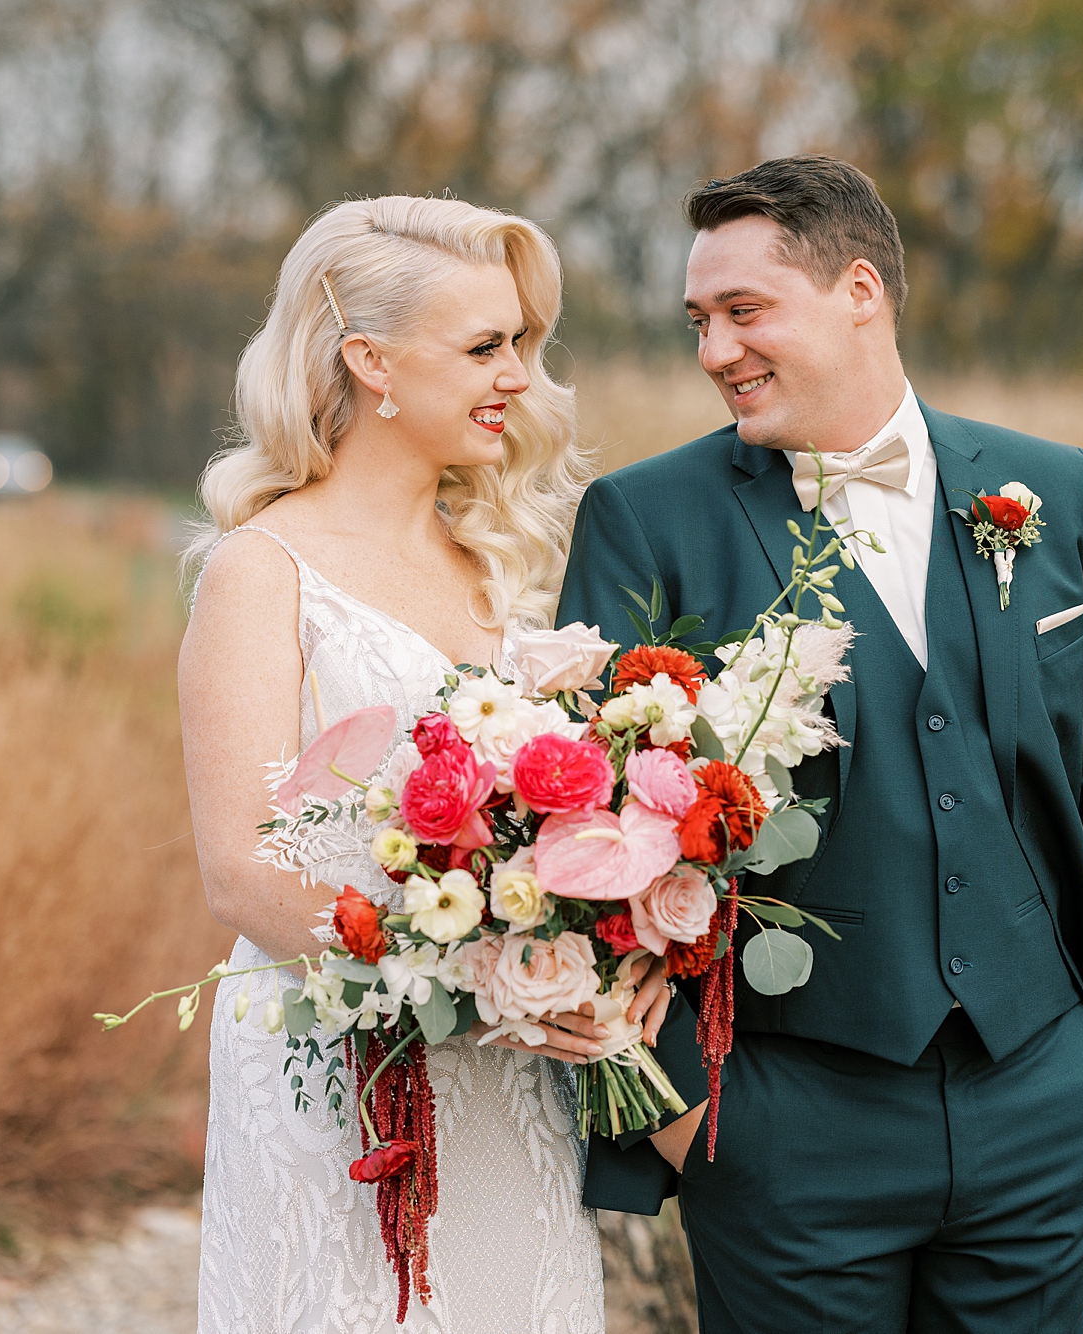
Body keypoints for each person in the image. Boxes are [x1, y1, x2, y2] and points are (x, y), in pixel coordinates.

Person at [558, 156, 1083, 1332]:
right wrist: (680, 1113)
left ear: (860, 291)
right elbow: (578, 848)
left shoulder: (1050, 487)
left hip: (1042, 1102)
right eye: (699, 321)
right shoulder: (646, 521)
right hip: (780, 1128)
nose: (714, 352)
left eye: (745, 313)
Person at [179, 195, 667, 1333]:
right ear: (370, 361)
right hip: (339, 1059)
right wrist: (480, 978)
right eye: (486, 346)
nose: (520, 379)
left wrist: (609, 952)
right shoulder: (261, 570)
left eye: (525, 346)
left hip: (512, 1072)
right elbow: (238, 872)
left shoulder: (512, 563)